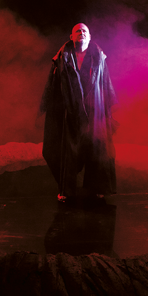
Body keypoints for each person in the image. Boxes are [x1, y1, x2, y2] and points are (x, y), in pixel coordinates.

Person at [39, 23, 118, 202]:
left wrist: (109, 110)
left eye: (85, 31)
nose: (81, 33)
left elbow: (105, 83)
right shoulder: (61, 58)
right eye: (78, 31)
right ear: (71, 37)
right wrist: (51, 109)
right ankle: (66, 190)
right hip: (71, 113)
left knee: (97, 150)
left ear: (89, 37)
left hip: (94, 112)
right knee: (68, 152)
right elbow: (53, 85)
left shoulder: (99, 57)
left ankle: (98, 188)